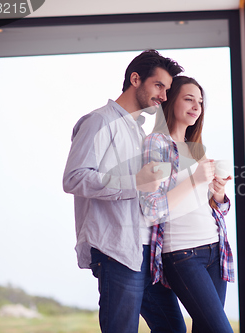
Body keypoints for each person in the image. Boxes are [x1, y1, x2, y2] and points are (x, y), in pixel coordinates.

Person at [62, 49, 186, 333]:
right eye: (159, 86)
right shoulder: (99, 121)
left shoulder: (137, 131)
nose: (164, 96)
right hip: (116, 252)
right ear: (135, 79)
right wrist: (136, 182)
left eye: (167, 89)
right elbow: (74, 178)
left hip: (145, 251)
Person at [140, 76, 235, 333]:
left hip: (215, 250)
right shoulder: (155, 144)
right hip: (183, 253)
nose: (196, 106)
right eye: (189, 99)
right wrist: (194, 180)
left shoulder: (196, 148)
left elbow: (217, 209)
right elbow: (151, 208)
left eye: (200, 102)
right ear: (171, 102)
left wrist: (219, 193)